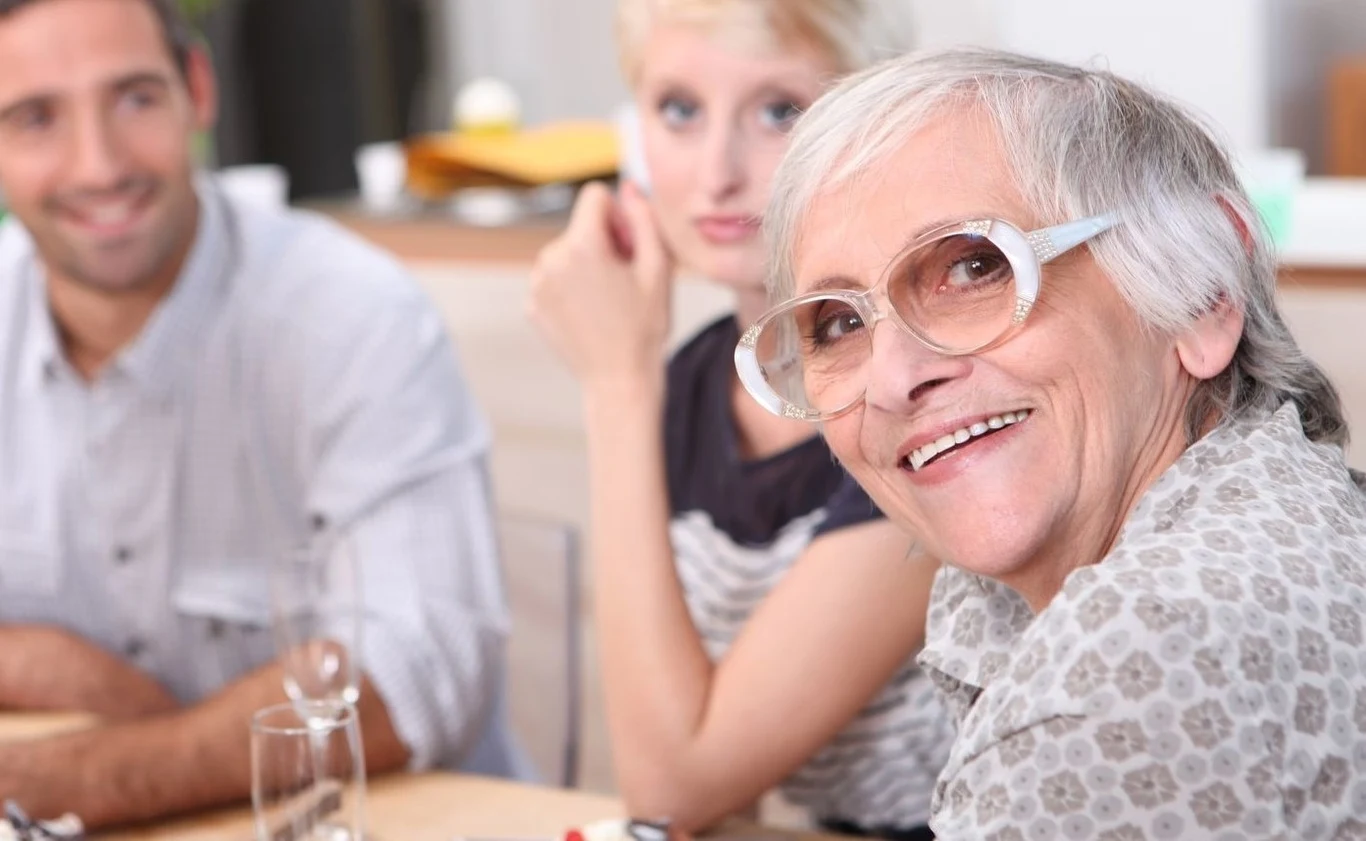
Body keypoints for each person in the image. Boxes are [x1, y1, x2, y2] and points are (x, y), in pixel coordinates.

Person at [740, 46, 1366, 837]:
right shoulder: (1275, 517)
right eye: (838, 323)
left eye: (974, 267)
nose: (893, 378)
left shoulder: (1135, 660)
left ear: (1203, 294)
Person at [0, 0, 517, 827]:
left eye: (134, 98)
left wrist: (81, 779)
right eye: (34, 118)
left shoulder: (354, 315)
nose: (97, 165)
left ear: (197, 91)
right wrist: (59, 668)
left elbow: (419, 670)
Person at [530, 1, 951, 836]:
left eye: (778, 110)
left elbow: (672, 782)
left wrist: (615, 384)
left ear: (868, 116)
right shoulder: (692, 380)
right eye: (679, 109)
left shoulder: (913, 388)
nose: (717, 171)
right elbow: (702, 787)